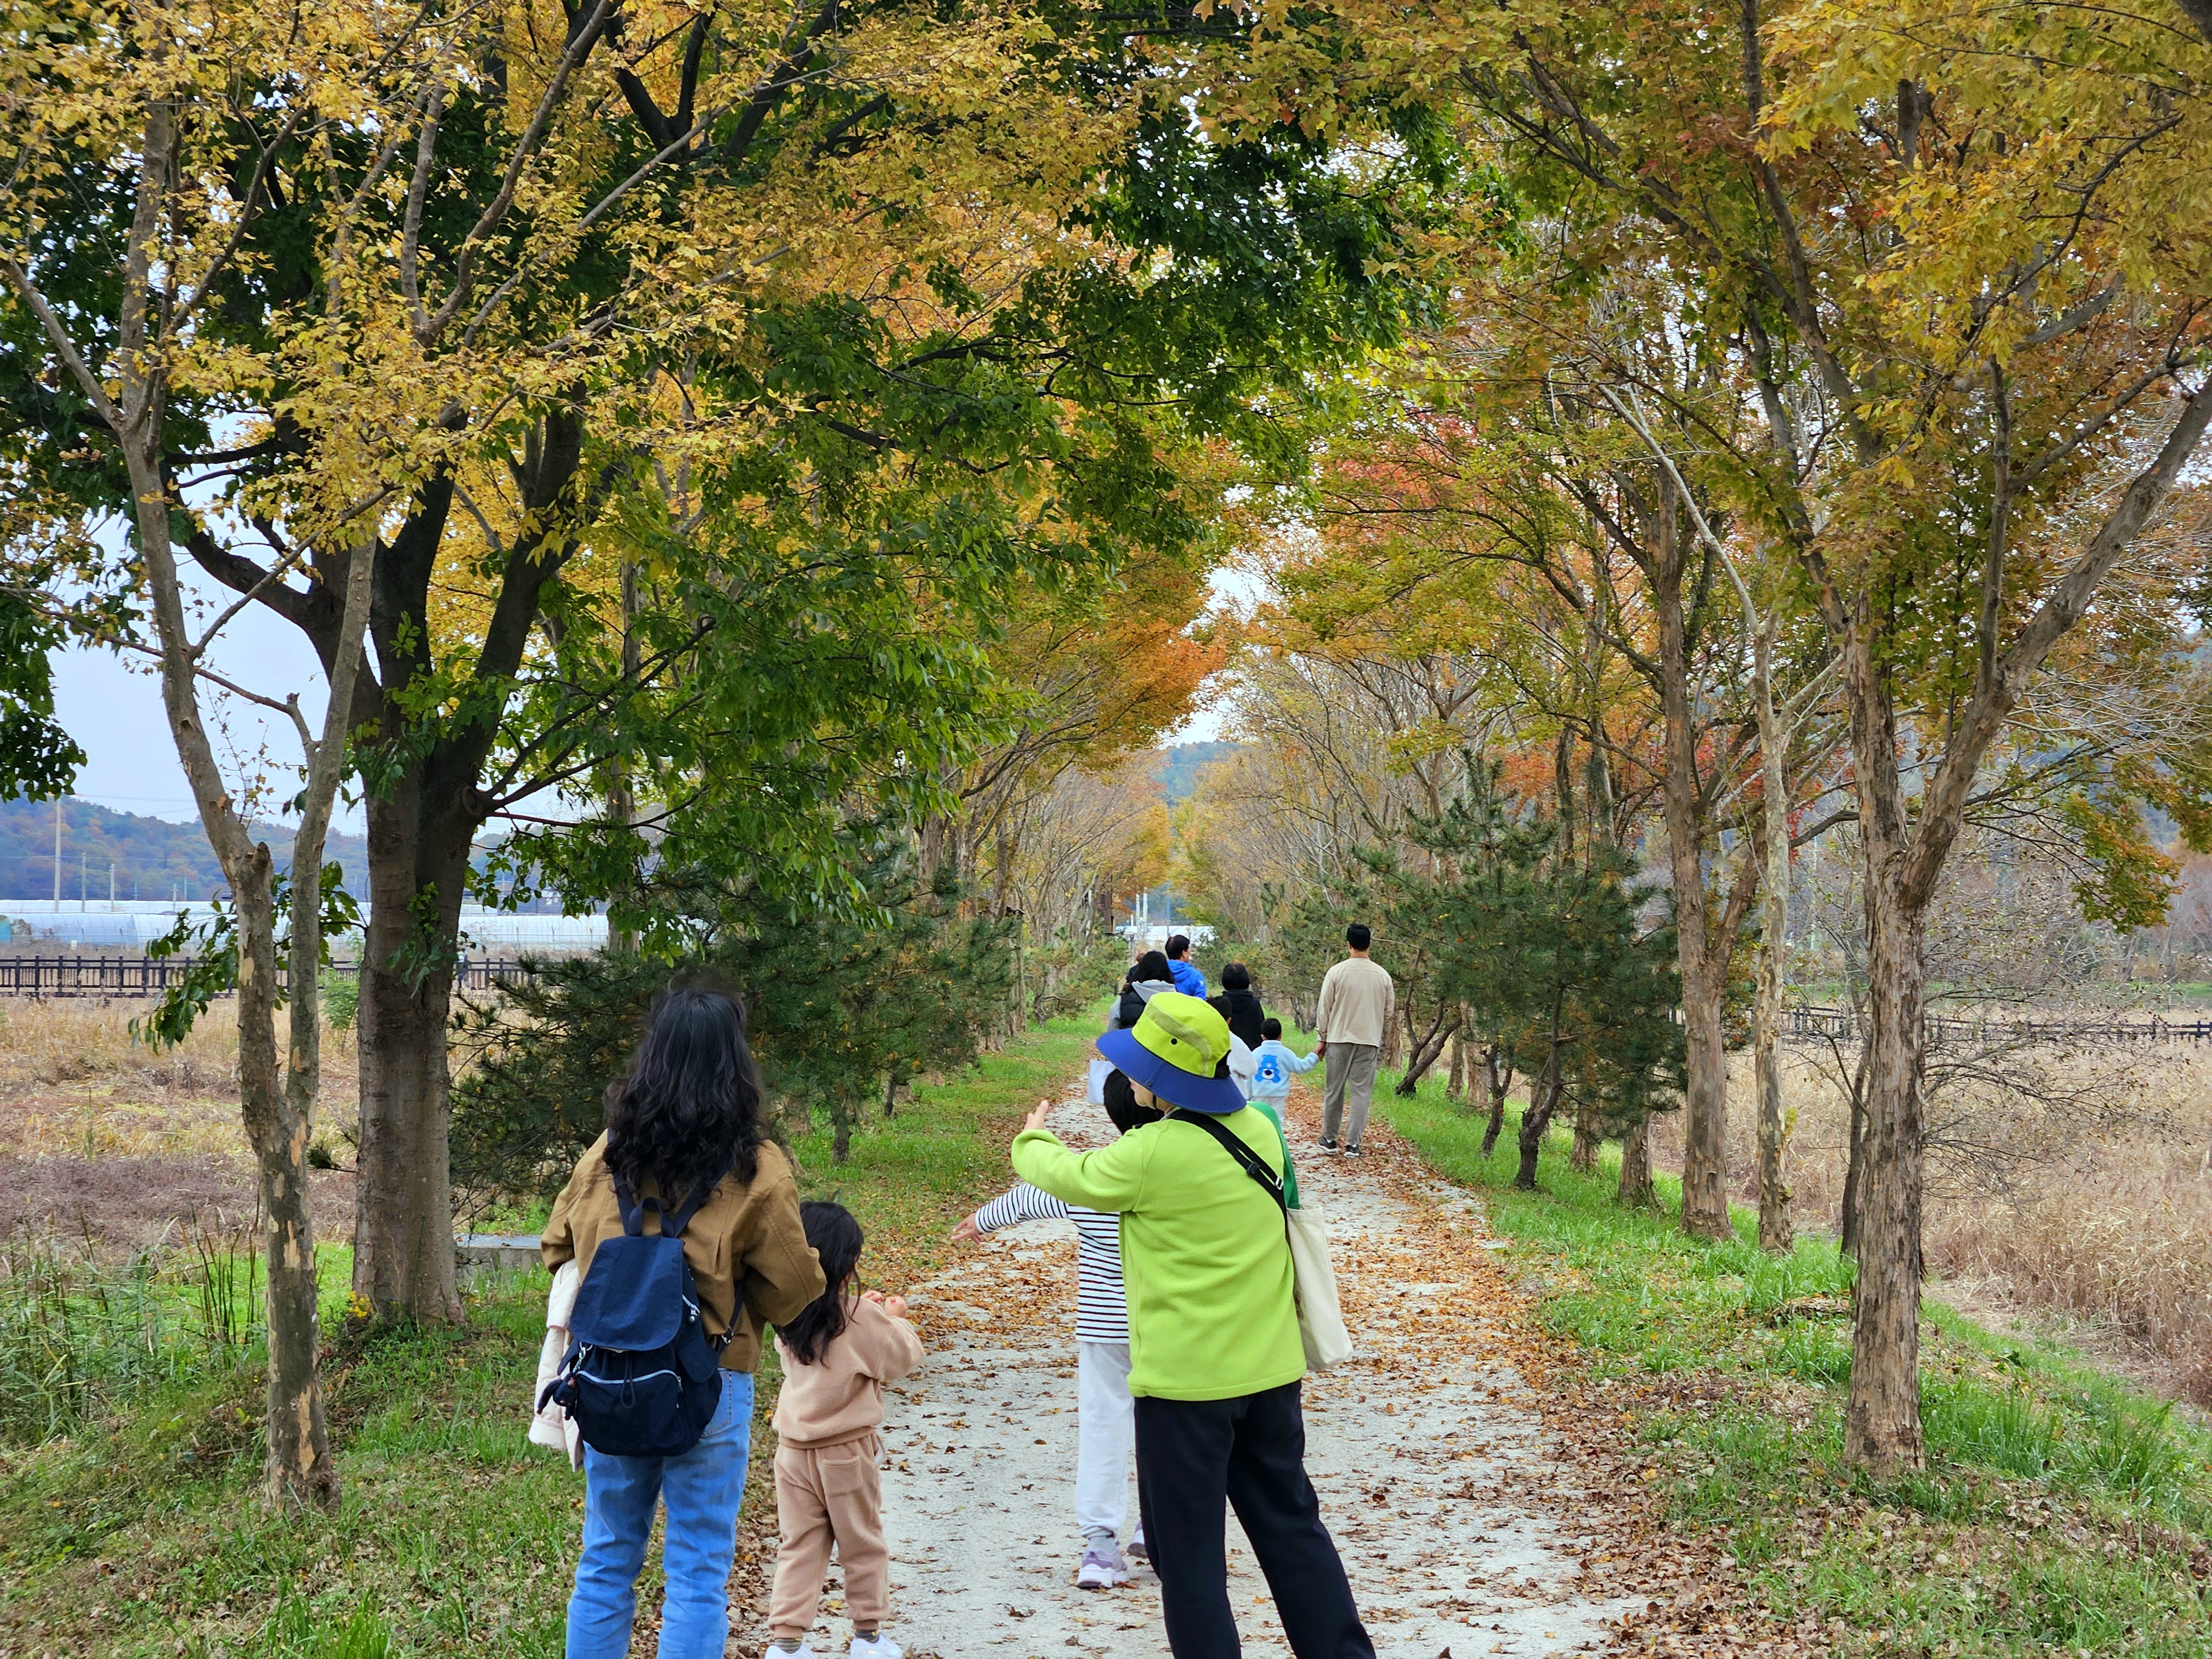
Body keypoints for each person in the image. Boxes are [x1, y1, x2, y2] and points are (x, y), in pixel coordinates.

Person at [1012, 992, 1370, 1659]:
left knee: (1191, 1564)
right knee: (1294, 1532)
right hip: (1269, 1377)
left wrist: (1032, 1132)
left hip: (1184, 1395)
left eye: (1141, 1066)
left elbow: (1063, 1174)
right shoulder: (1262, 1129)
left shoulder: (1149, 1153)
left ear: (1161, 1079)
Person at [543, 988, 827, 1659]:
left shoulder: (607, 1154)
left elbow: (556, 1246)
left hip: (610, 1374)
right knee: (698, 1568)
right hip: (711, 1378)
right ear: (736, 1067)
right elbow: (794, 1286)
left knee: (607, 1557)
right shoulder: (757, 1167)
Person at [951, 1070, 1163, 1587]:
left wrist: (982, 1220)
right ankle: (1155, 1529)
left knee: (1102, 1426)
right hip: (1165, 1324)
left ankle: (1098, 1546)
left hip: (1104, 1329)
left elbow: (1032, 1196)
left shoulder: (1093, 1175)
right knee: (1166, 1430)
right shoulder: (1173, 1172)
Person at [767, 1201, 925, 1659]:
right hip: (847, 1452)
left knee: (799, 1546)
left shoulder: (788, 1315)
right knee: (862, 1544)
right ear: (849, 1262)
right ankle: (869, 1636)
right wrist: (894, 1317)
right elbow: (903, 1357)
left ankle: (787, 1642)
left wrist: (864, 1312)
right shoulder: (864, 1318)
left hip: (792, 1451)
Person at [1314, 924, 1394, 1157]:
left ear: (1348, 944)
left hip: (1339, 1038)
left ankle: (1329, 1138)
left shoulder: (1337, 972)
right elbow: (1388, 1011)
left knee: (1334, 1090)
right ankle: (1353, 1144)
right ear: (1369, 944)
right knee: (1361, 1092)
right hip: (1368, 1040)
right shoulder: (1383, 975)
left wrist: (1323, 1038)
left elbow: (1324, 1007)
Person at [1250, 1017, 1319, 1202]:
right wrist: (1315, 1056)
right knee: (1277, 1122)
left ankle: (1258, 1148)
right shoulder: (1285, 1053)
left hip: (1258, 1094)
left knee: (1258, 1121)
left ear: (1262, 1036)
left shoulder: (1255, 1053)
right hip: (1278, 1094)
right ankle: (1278, 1149)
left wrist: (1248, 1093)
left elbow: (1248, 1073)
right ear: (1281, 1034)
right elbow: (1301, 1067)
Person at [1207, 961, 1265, 1050]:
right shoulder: (1254, 1003)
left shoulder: (1220, 1005)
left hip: (1227, 1055)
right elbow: (1260, 1032)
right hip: (1251, 1054)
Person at [1114, 948, 1178, 1030]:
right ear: (1167, 972)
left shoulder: (1124, 1000)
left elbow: (1112, 1030)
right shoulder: (1178, 1000)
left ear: (1140, 971)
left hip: (1132, 1041)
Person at [1164, 933, 1207, 998]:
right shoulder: (1196, 976)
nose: (1190, 952)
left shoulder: (1160, 973)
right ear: (1184, 953)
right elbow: (1201, 1002)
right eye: (1189, 949)